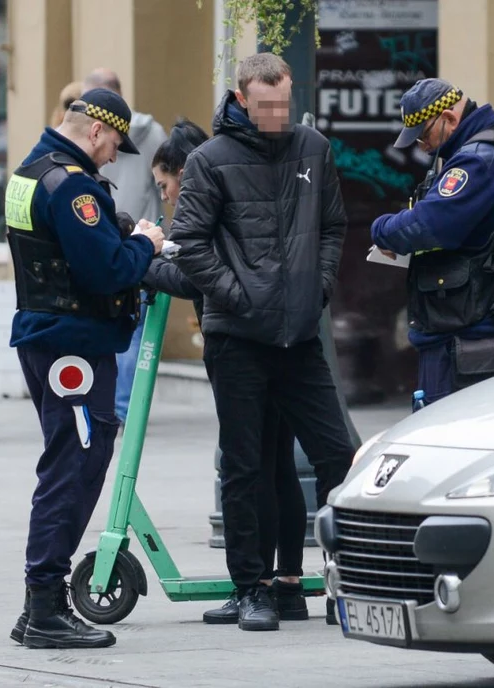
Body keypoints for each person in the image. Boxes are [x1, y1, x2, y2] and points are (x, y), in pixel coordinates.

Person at [161, 52, 355, 632]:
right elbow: (189, 241)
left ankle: (347, 579)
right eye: (265, 104)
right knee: (244, 466)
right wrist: (238, 295)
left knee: (339, 457)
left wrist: (316, 288)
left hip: (298, 336)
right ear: (242, 98)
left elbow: (333, 227)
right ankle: (253, 589)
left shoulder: (312, 149)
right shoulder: (208, 160)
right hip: (238, 339)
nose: (277, 114)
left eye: (284, 103)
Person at [4, 88, 165, 649]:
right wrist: (144, 242)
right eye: (115, 144)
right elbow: (107, 271)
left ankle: (37, 608)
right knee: (74, 466)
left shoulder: (32, 170)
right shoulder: (72, 185)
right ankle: (44, 605)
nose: (113, 156)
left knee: (68, 461)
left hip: (48, 337)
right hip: (72, 344)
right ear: (97, 130)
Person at [141, 118, 310, 625]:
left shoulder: (209, 190)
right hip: (281, 337)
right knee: (277, 462)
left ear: (179, 171)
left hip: (243, 342)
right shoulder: (240, 178)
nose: (166, 198)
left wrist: (142, 261)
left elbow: (198, 277)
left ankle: (254, 586)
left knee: (248, 464)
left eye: (164, 185)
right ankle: (289, 583)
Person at [369, 78, 494, 405]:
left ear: (449, 118)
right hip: (487, 323)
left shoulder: (477, 160)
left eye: (424, 135)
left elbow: (430, 224)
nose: (422, 146)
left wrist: (382, 229)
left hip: (468, 334)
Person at [81, 68, 167, 426]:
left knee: (115, 326)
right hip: (141, 238)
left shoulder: (86, 138)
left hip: (108, 239)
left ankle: (111, 404)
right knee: (133, 330)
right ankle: (122, 406)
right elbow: (161, 187)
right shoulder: (155, 133)